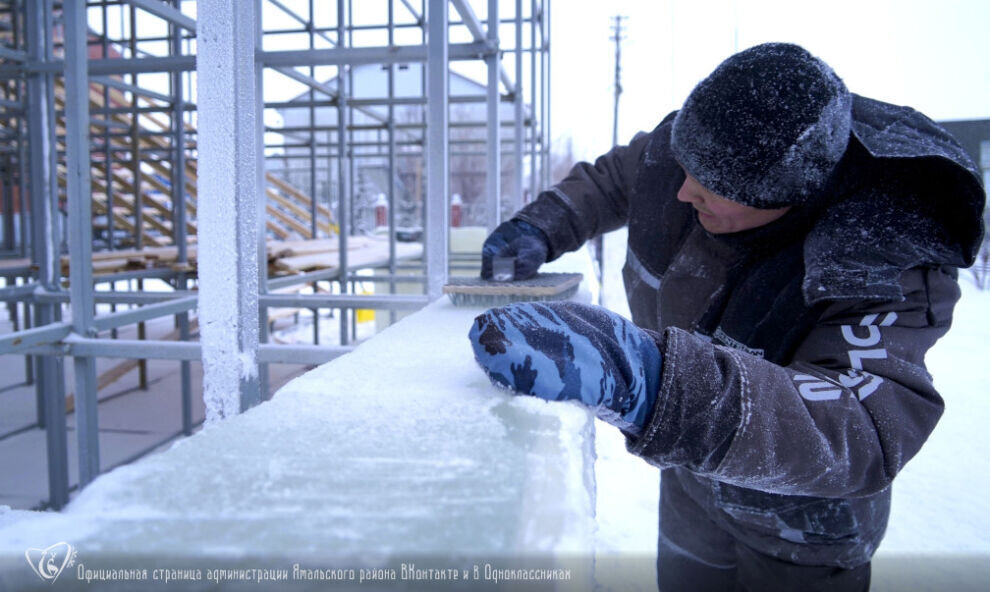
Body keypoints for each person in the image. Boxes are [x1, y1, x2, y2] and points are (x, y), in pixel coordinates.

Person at [468, 43, 986, 591]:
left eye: (711, 185)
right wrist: (544, 224)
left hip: (802, 530)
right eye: (686, 168)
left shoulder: (884, 256)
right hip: (692, 480)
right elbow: (614, 180)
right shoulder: (686, 158)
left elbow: (861, 425)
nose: (684, 189)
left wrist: (653, 380)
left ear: (791, 196)